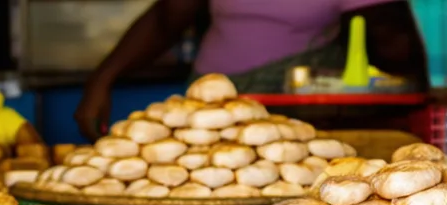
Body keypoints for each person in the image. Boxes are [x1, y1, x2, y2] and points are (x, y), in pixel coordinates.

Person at [75, 0, 429, 140]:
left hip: (304, 118)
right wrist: (101, 81)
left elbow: (392, 39)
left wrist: (415, 105)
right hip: (209, 110)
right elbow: (165, 20)